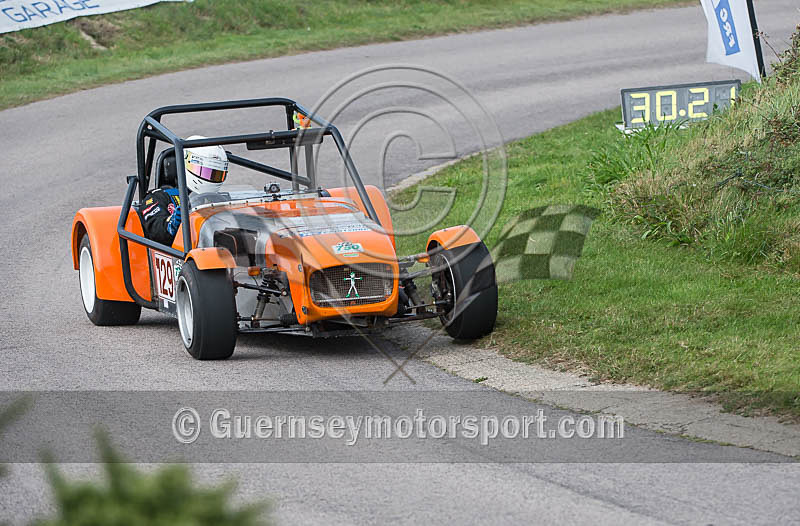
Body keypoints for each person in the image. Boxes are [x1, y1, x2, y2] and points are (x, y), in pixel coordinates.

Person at [140, 136, 228, 245]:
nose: (211, 178)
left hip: (217, 249)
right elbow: (155, 231)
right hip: (182, 255)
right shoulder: (160, 197)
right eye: (206, 172)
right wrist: (173, 223)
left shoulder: (223, 200)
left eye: (216, 175)